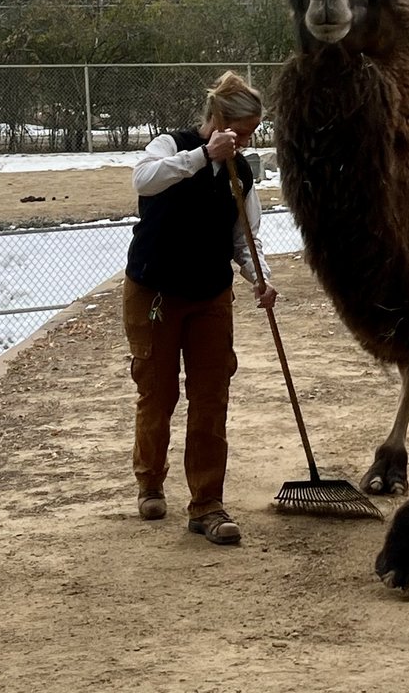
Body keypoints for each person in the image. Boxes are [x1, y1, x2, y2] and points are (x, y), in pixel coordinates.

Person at [122, 70, 277, 545]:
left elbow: (243, 238)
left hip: (211, 296)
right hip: (156, 294)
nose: (246, 141)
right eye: (242, 131)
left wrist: (261, 279)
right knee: (158, 392)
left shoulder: (242, 173)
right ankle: (150, 479)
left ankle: (207, 505)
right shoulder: (171, 147)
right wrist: (202, 157)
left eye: (253, 134)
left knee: (211, 398)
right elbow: (143, 181)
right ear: (217, 120)